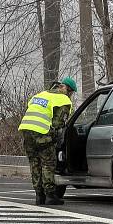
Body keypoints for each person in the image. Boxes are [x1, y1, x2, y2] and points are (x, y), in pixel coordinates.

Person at [18, 77, 77, 205]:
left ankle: (39, 196)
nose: (70, 95)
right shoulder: (63, 99)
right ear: (66, 89)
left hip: (26, 129)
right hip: (42, 132)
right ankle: (50, 195)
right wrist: (55, 137)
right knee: (48, 162)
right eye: (71, 92)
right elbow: (58, 123)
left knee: (34, 162)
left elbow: (31, 108)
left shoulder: (41, 94)